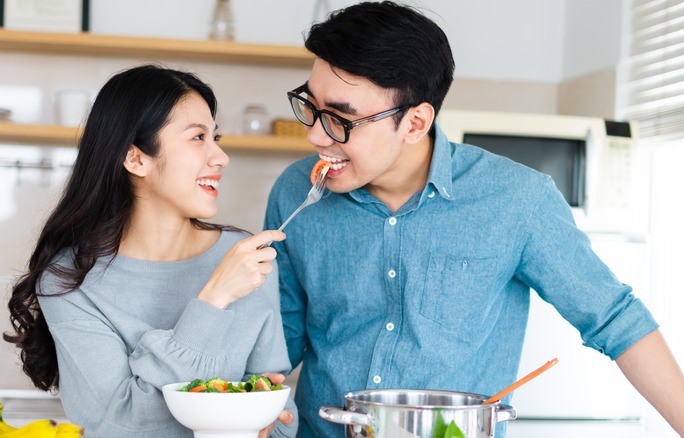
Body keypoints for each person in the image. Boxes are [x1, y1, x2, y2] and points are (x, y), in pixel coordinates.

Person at [263, 2, 684, 437]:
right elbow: (279, 341)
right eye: (309, 107)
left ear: (415, 122)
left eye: (338, 118)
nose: (314, 134)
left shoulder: (517, 199)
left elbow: (617, 321)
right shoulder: (296, 193)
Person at [4, 64, 297, 438]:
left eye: (216, 137)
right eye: (197, 138)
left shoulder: (244, 259)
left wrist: (270, 422)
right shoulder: (69, 280)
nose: (220, 157)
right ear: (136, 158)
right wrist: (213, 300)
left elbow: (279, 412)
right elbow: (120, 424)